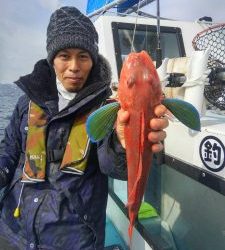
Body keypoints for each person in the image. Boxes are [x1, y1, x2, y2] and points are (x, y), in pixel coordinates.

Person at [0, 6, 168, 250]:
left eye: (83, 56)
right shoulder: (27, 102)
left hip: (74, 239)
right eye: (64, 56)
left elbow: (112, 166)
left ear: (93, 59)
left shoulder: (106, 107)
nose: (74, 66)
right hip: (12, 227)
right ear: (52, 59)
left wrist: (122, 142)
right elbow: (9, 150)